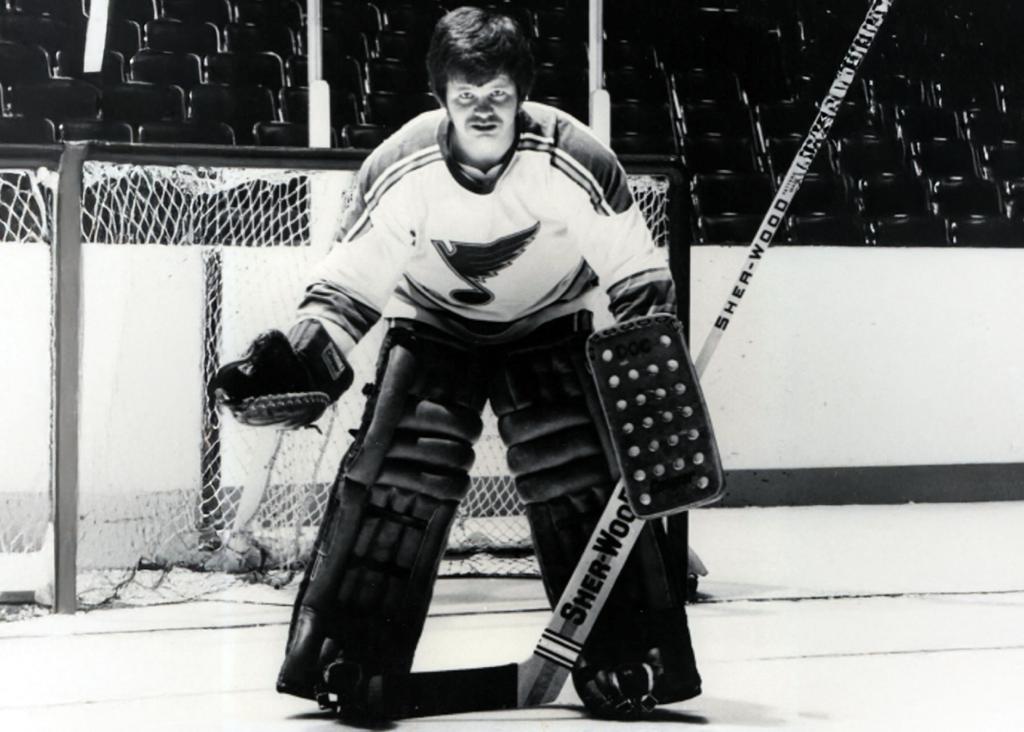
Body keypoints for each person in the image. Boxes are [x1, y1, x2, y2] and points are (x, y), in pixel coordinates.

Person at [210, 6, 701, 720]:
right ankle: (346, 656)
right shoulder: (401, 167)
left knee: (578, 474)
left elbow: (637, 274)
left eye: (498, 96)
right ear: (440, 97)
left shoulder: (576, 157)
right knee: (402, 474)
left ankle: (635, 656)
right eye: (467, 97)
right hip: (433, 325)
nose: (483, 111)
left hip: (548, 323)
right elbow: (350, 285)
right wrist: (305, 361)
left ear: (520, 96)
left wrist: (656, 376)